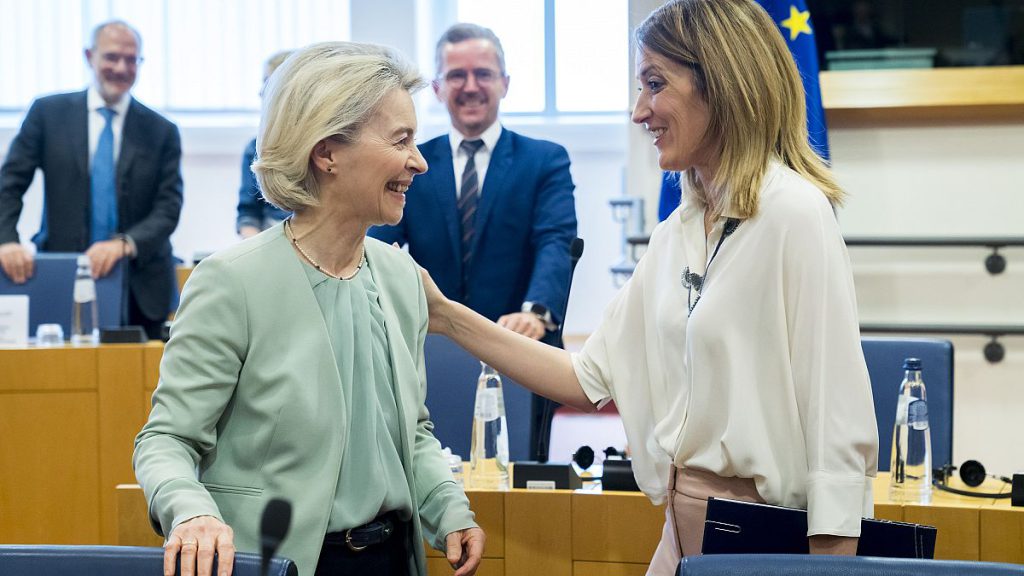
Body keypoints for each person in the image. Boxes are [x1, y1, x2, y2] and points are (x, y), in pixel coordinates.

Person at [420, 1, 877, 574]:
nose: (640, 112)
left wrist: (832, 566)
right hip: (679, 536)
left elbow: (837, 422)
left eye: (655, 84)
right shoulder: (676, 231)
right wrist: (447, 315)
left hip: (764, 541)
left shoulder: (795, 214)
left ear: (722, 84)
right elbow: (585, 381)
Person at [133, 42, 484, 576]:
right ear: (327, 153)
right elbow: (166, 439)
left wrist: (449, 508)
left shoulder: (400, 278)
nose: (420, 160)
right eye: (401, 140)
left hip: (392, 559)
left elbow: (411, 433)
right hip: (283, 562)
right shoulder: (231, 281)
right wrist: (191, 512)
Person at [368, 23, 577, 460]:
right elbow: (377, 244)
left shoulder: (544, 160)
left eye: (483, 73)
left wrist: (536, 312)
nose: (470, 86)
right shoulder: (412, 163)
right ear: (439, 88)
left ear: (504, 83)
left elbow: (555, 241)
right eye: (457, 76)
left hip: (519, 349)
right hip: (433, 354)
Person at [0, 20, 183, 339]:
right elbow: (9, 184)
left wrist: (126, 243)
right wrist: (7, 240)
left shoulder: (161, 130)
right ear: (90, 56)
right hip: (59, 276)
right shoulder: (47, 114)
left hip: (141, 286)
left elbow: (168, 207)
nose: (121, 67)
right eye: (112, 57)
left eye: (131, 59)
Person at [236, 50, 292, 238]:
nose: (261, 92)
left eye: (267, 82)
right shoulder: (255, 148)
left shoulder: (327, 146)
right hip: (270, 239)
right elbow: (248, 214)